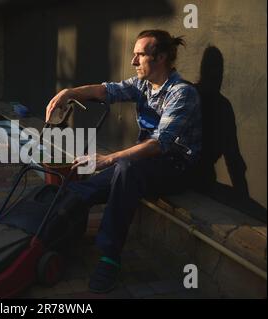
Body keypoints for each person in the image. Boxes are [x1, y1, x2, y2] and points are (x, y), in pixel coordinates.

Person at [45, 30, 202, 293]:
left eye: (139, 55)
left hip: (176, 166)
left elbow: (159, 144)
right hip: (143, 164)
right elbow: (105, 90)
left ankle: (109, 257)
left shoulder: (181, 93)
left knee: (124, 168)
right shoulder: (142, 85)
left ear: (160, 57)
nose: (133, 61)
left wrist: (107, 159)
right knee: (85, 188)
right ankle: (34, 227)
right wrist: (68, 93)